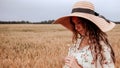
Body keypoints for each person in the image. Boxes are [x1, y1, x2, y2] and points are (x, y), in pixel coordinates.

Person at [53, 1, 116, 68]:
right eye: (74, 23)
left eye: (79, 22)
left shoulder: (102, 47)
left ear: (89, 22)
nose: (76, 27)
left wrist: (76, 66)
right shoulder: (77, 42)